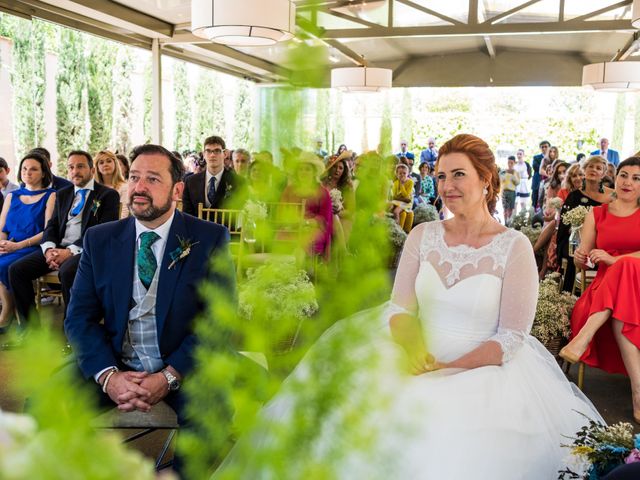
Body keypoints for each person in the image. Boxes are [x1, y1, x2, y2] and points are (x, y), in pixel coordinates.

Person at [214, 134, 602, 479]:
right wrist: (413, 346)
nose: (446, 185)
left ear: (486, 179)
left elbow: (512, 337)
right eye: (442, 175)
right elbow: (398, 309)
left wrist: (448, 367)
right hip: (408, 351)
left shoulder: (513, 246)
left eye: (458, 175)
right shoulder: (423, 235)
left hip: (484, 369)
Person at [64, 144, 236, 474]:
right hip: (116, 361)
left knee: (209, 417)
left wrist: (170, 376)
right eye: (135, 177)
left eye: (153, 179)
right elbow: (79, 317)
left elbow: (218, 321)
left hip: (185, 367)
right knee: (44, 402)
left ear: (177, 189)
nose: (139, 187)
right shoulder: (100, 239)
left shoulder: (209, 238)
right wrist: (108, 376)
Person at [559, 157, 640, 417]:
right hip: (607, 287)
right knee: (621, 288)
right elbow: (583, 254)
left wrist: (616, 259)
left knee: (626, 267)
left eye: (636, 178)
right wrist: (580, 257)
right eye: (624, 175)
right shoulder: (597, 213)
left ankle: (584, 336)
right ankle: (639, 391)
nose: (628, 182)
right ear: (614, 178)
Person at [9, 150, 120, 327]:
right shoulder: (63, 194)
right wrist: (49, 250)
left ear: (92, 170)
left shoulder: (107, 195)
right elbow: (51, 225)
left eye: (80, 166)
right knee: (16, 270)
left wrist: (69, 252)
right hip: (57, 248)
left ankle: (72, 332)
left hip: (87, 250)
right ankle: (30, 330)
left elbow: (101, 232)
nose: (75, 171)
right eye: (71, 167)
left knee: (68, 272)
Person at [0, 152, 56, 332]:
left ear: (43, 172)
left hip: (34, 248)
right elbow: (2, 228)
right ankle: (9, 309)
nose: (27, 173)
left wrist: (17, 246)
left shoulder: (51, 195)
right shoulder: (12, 196)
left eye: (33, 169)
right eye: (24, 169)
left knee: (8, 266)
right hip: (10, 246)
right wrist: (2, 245)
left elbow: (48, 231)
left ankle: (8, 312)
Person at [557, 155, 613, 291]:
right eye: (590, 166)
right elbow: (564, 225)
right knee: (575, 252)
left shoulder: (612, 196)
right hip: (575, 239)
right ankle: (570, 295)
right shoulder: (574, 196)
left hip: (603, 239)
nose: (593, 170)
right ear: (584, 169)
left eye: (598, 168)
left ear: (604, 173)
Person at [280, 153, 333, 260]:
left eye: (307, 169)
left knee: (302, 246)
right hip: (291, 228)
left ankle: (302, 274)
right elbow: (281, 212)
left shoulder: (322, 192)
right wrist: (290, 222)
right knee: (280, 240)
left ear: (314, 172)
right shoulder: (289, 190)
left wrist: (306, 223)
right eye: (301, 169)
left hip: (313, 229)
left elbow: (324, 218)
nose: (303, 172)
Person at [182, 136, 247, 216]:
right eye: (208, 151)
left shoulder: (239, 182)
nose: (212, 155)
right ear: (204, 154)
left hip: (226, 228)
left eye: (217, 151)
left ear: (225, 154)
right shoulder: (191, 182)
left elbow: (240, 213)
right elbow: (186, 214)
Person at [322, 151, 356, 248]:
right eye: (334, 167)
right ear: (330, 168)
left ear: (344, 170)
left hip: (344, 216)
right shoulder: (322, 184)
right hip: (325, 217)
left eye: (341, 168)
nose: (337, 170)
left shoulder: (348, 186)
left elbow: (351, 211)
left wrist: (338, 212)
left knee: (344, 223)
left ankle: (342, 252)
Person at [389, 163, 414, 234]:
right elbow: (394, 195)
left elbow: (406, 195)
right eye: (400, 173)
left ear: (408, 173)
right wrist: (399, 197)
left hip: (406, 203)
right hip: (397, 201)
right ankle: (390, 225)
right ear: (397, 174)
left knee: (396, 211)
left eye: (404, 173)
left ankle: (397, 229)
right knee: (389, 207)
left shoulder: (410, 182)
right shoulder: (396, 182)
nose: (402, 175)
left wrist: (402, 185)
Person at [499, 156, 520, 224]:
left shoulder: (515, 172)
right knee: (505, 207)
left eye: (511, 163)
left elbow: (517, 182)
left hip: (512, 192)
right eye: (509, 162)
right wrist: (504, 175)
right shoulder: (503, 171)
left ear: (514, 163)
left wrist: (512, 175)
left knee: (510, 208)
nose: (510, 164)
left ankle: (509, 221)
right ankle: (505, 222)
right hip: (504, 191)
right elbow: (500, 180)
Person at [531, 140, 550, 210]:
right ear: (540, 148)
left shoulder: (552, 158)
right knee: (535, 200)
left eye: (546, 147)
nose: (544, 148)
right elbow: (536, 167)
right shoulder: (536, 157)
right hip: (537, 182)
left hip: (549, 183)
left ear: (549, 148)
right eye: (542, 147)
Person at [513, 149, 531, 214]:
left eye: (520, 154)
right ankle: (514, 217)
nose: (519, 155)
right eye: (518, 154)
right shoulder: (514, 164)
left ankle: (523, 217)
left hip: (524, 183)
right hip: (516, 184)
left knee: (523, 202)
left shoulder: (526, 164)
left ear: (523, 155)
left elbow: (529, 174)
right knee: (515, 201)